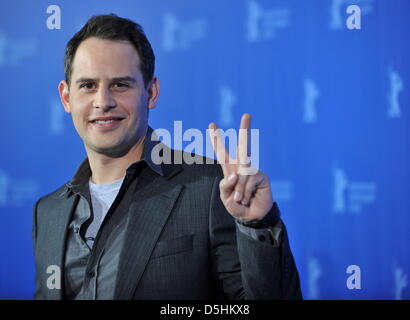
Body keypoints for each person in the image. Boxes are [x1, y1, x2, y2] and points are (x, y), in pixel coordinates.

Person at [32, 14, 302, 300]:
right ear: (66, 97)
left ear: (151, 92)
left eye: (120, 85)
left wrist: (257, 225)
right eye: (88, 86)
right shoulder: (48, 212)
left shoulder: (211, 189)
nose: (103, 101)